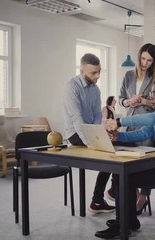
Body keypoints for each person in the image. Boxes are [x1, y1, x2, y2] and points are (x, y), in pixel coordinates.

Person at [95, 78, 155, 239]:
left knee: (125, 177)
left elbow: (151, 119)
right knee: (121, 174)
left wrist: (120, 121)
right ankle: (128, 221)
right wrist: (118, 136)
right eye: (151, 93)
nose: (151, 97)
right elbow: (143, 133)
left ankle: (123, 224)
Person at [62, 53, 115, 213]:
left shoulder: (96, 89)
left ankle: (100, 198)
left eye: (99, 71)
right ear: (82, 70)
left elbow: (98, 115)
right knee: (108, 156)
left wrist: (101, 133)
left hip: (91, 131)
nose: (97, 76)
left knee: (113, 153)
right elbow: (76, 118)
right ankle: (99, 199)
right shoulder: (71, 87)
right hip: (75, 133)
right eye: (93, 73)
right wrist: (91, 142)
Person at [118, 43, 155, 214]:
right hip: (129, 122)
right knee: (128, 161)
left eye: (149, 60)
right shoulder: (128, 76)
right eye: (143, 58)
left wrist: (142, 101)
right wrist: (128, 101)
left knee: (144, 164)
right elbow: (121, 98)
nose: (145, 63)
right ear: (138, 56)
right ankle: (133, 195)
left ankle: (143, 198)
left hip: (146, 123)